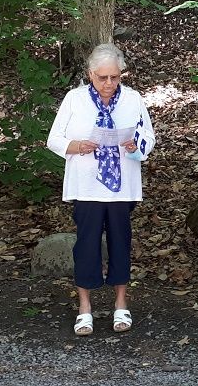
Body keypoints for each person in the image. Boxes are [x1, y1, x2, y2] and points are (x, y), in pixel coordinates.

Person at [46, 43, 155, 336]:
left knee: (121, 244)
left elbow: (149, 138)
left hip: (122, 189)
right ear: (90, 74)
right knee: (86, 246)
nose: (109, 84)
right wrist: (77, 146)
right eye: (102, 78)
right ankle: (85, 308)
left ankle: (121, 304)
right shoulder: (75, 99)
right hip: (86, 186)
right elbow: (54, 138)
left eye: (114, 77)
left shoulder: (132, 99)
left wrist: (135, 145)